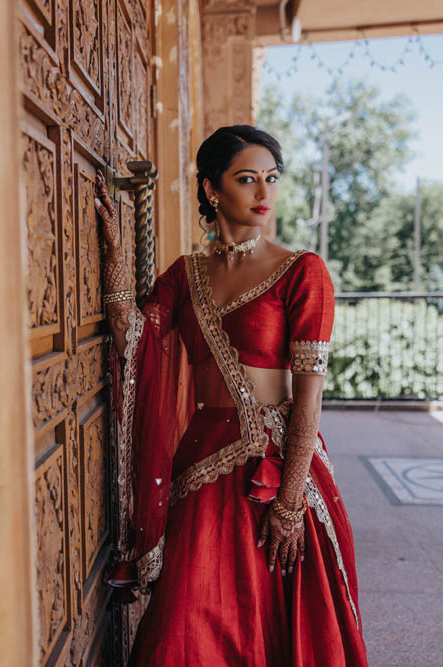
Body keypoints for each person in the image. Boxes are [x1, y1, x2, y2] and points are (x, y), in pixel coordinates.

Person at [95, 125, 368, 666]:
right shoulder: (185, 276)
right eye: (247, 179)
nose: (264, 193)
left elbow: (309, 398)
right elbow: (135, 341)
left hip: (277, 467)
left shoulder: (303, 272)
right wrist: (114, 254)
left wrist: (289, 504)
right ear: (211, 189)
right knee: (183, 625)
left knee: (276, 623)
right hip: (200, 466)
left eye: (271, 178)